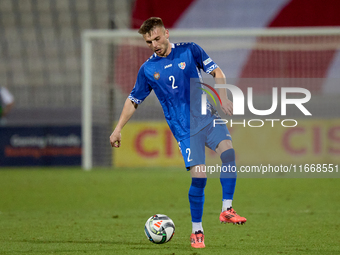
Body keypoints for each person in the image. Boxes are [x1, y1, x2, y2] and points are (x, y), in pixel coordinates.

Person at [110, 17, 246, 248]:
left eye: (156, 38)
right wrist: (118, 128)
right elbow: (133, 101)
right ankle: (197, 231)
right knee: (200, 177)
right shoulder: (148, 69)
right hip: (185, 129)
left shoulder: (190, 50)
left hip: (208, 117)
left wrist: (223, 96)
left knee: (229, 154)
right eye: (148, 41)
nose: (154, 44)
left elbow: (218, 73)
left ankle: (227, 209)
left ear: (167, 33)